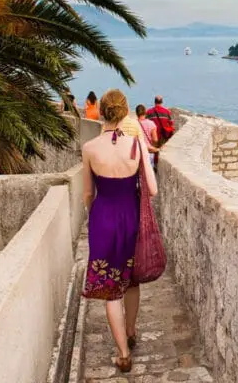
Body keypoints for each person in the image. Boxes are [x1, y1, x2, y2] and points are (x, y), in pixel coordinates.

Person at [81, 89, 158, 373]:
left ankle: (123, 353)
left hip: (103, 219)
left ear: (101, 112)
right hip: (131, 218)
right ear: (125, 113)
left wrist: (95, 214)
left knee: (110, 287)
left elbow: (87, 194)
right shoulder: (137, 145)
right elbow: (153, 189)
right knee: (132, 280)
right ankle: (131, 330)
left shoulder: (90, 148)